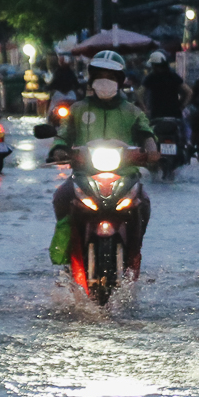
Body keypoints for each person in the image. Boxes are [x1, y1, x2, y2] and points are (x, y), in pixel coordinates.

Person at [50, 50, 161, 272]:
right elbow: (63, 135)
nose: (105, 81)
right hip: (84, 175)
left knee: (144, 204)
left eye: (111, 77)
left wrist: (151, 150)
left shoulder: (132, 111)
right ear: (91, 79)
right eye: (100, 75)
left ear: (119, 81)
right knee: (60, 197)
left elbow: (146, 133)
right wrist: (59, 150)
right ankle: (67, 251)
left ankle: (134, 254)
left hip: (126, 175)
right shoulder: (78, 109)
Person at [139, 50, 191, 121]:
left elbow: (139, 93)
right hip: (174, 114)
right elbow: (189, 91)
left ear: (154, 65)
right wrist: (182, 106)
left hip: (156, 115)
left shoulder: (151, 77)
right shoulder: (173, 76)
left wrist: (144, 108)